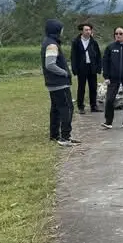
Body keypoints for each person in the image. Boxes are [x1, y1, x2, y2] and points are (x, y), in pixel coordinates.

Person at [42, 18, 79, 147]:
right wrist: (64, 72)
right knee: (67, 108)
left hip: (53, 83)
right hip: (59, 83)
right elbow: (50, 64)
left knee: (56, 109)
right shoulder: (52, 45)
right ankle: (65, 137)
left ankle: (54, 135)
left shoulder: (49, 42)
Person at [70, 23, 102, 114]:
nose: (88, 31)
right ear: (82, 31)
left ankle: (93, 106)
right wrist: (74, 69)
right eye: (86, 30)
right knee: (81, 87)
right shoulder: (76, 42)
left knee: (93, 87)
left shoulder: (93, 42)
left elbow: (98, 56)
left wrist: (99, 67)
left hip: (92, 67)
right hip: (81, 67)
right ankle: (81, 106)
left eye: (89, 30)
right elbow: (73, 56)